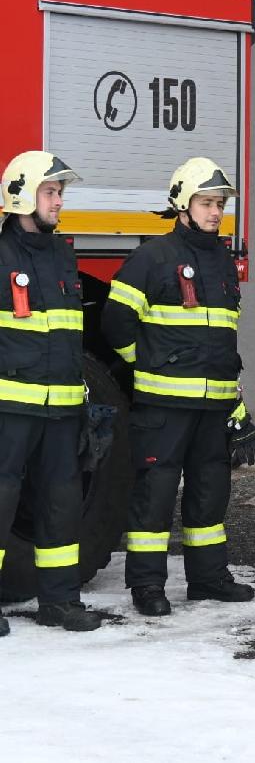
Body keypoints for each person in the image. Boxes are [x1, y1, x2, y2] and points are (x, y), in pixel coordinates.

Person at [103, 157, 255, 618]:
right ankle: (148, 586)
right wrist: (149, 366)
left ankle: (208, 578)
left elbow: (223, 342)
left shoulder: (222, 263)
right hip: (163, 406)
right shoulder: (153, 257)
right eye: (207, 203)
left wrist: (237, 409)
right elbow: (116, 321)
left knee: (210, 494)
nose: (216, 212)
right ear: (182, 204)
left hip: (212, 407)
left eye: (220, 204)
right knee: (154, 498)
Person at [0, 151, 101, 634]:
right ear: (22, 195)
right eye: (50, 192)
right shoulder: (1, 255)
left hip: (61, 409)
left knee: (61, 503)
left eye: (60, 192)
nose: (58, 201)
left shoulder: (62, 253)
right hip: (11, 408)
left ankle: (60, 601)